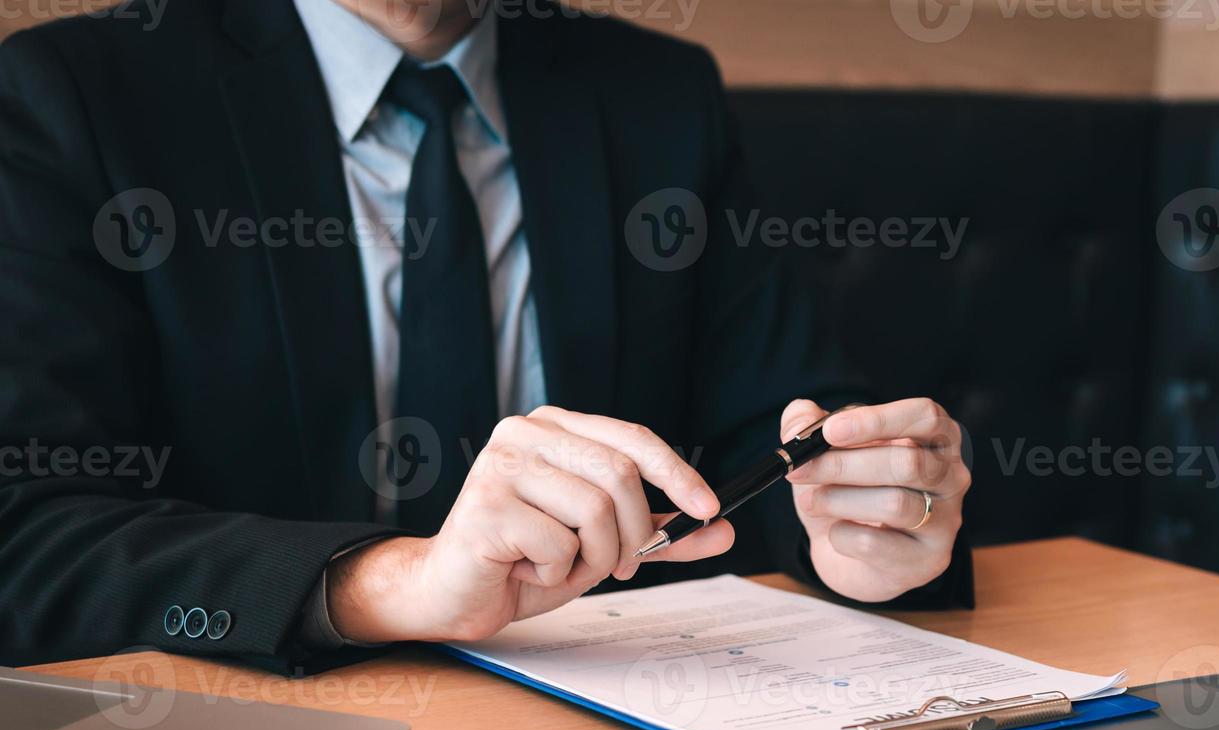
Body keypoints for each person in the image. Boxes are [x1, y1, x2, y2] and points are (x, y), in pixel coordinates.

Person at [0, 0, 971, 673]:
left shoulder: (657, 93)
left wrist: (865, 531)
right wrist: (395, 582)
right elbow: (28, 533)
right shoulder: (71, 96)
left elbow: (772, 436)